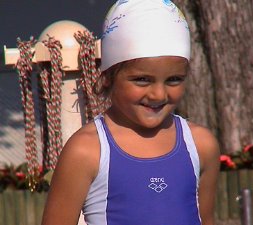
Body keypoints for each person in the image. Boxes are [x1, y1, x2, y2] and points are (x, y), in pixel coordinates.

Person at [41, 0, 220, 225]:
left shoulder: (201, 144)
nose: (158, 94)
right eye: (142, 80)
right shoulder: (86, 150)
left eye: (173, 80)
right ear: (107, 76)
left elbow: (207, 219)